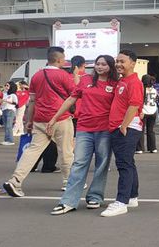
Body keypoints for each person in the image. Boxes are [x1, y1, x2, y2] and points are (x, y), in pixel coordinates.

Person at [48, 55, 118, 215]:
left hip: (105, 130)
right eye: (98, 64)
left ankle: (95, 197)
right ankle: (68, 201)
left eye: (104, 64)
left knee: (102, 164)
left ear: (110, 67)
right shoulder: (86, 80)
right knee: (79, 163)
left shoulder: (115, 84)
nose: (100, 67)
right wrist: (55, 117)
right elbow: (70, 99)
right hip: (84, 129)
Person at [2, 47, 76, 197]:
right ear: (59, 60)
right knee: (66, 151)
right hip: (60, 118)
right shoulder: (64, 76)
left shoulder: (37, 76)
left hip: (40, 119)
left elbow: (32, 101)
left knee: (32, 151)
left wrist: (29, 121)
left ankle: (15, 181)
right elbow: (74, 96)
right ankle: (69, 181)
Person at [102, 50, 144, 218]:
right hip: (120, 126)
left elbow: (134, 105)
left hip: (126, 127)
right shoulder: (122, 81)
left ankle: (121, 202)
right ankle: (132, 197)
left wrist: (124, 126)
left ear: (133, 63)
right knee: (128, 163)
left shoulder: (133, 82)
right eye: (117, 61)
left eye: (122, 61)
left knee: (124, 165)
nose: (118, 64)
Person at [137, 74, 158, 153]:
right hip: (153, 111)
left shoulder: (141, 89)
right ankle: (153, 148)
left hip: (143, 111)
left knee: (140, 130)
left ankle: (140, 148)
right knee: (151, 130)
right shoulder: (154, 90)